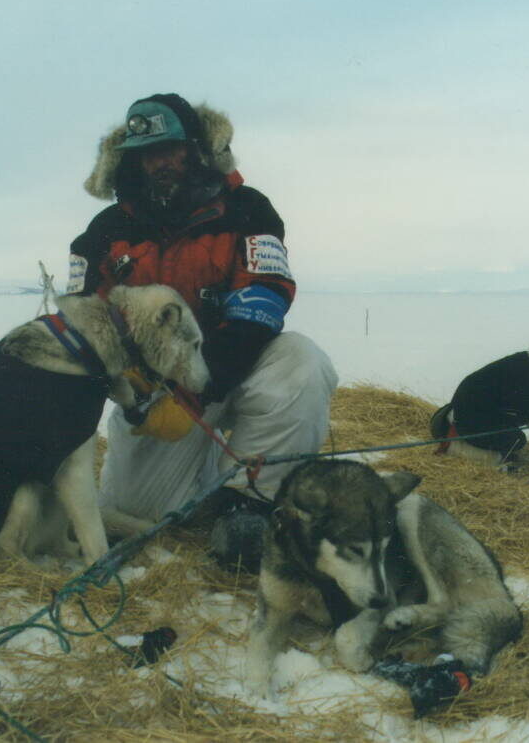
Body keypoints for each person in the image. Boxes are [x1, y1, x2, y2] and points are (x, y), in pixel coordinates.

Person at [69, 93, 337, 565]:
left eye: (170, 149)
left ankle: (251, 503)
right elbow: (83, 319)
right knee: (141, 514)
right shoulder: (104, 230)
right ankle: (212, 473)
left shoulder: (248, 209)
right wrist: (134, 388)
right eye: (148, 153)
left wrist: (202, 381)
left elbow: (265, 295)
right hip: (157, 396)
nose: (160, 162)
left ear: (196, 148)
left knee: (303, 361)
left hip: (235, 365)